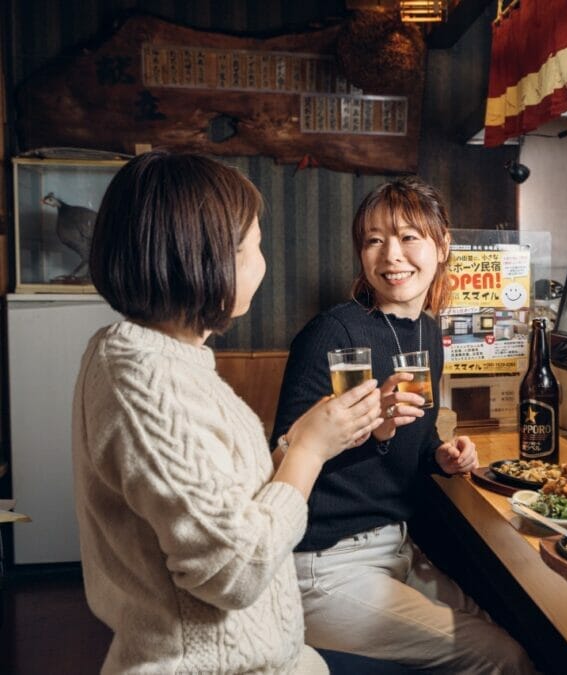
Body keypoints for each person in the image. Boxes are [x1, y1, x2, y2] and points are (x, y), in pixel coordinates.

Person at [72, 151, 385, 674]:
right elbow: (235, 570)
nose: (263, 263)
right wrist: (308, 452)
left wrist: (297, 445)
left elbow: (213, 501)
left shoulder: (160, 356)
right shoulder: (145, 375)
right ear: (205, 260)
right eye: (254, 245)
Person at [272, 177, 535, 673]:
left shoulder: (427, 333)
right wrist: (375, 428)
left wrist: (441, 453)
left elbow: (419, 434)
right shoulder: (333, 332)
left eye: (408, 237)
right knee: (503, 659)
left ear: (442, 246)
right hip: (324, 562)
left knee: (513, 636)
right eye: (374, 240)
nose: (392, 255)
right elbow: (281, 461)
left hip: (397, 547)